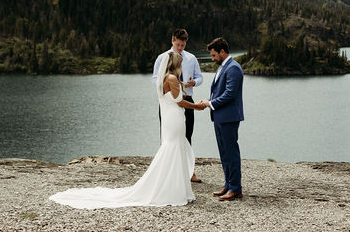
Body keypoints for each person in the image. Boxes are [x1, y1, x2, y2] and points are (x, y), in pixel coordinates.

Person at [50, 51, 206, 208]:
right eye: (179, 63)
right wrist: (197, 106)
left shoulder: (165, 79)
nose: (181, 66)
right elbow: (179, 101)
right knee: (173, 148)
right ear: (175, 64)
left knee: (174, 147)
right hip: (175, 117)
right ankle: (171, 189)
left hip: (172, 117)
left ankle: (174, 187)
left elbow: (173, 97)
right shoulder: (172, 78)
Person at [151, 28, 203, 183]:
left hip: (188, 98)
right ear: (172, 40)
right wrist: (168, 88)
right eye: (178, 44)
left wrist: (194, 82)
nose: (180, 48)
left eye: (183, 45)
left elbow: (200, 78)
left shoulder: (192, 58)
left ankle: (189, 171)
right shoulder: (162, 57)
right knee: (168, 137)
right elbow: (155, 79)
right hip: (169, 104)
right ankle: (167, 172)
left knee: (187, 136)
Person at [199, 37, 244, 201]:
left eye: (213, 55)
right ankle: (228, 184)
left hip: (229, 117)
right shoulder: (223, 67)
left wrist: (210, 103)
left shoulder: (233, 68)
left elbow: (229, 94)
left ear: (222, 52)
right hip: (220, 117)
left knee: (231, 153)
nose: (212, 58)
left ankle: (236, 188)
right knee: (224, 153)